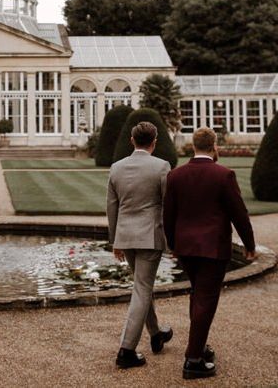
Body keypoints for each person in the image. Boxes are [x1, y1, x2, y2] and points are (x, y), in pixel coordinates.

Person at [163, 127, 256, 380]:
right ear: (215, 146)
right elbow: (239, 214)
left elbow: (168, 216)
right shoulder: (223, 174)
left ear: (193, 146)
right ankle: (193, 361)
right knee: (206, 299)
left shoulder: (176, 175)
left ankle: (199, 346)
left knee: (198, 296)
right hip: (212, 248)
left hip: (185, 248)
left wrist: (173, 245)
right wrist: (250, 244)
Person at [107, 121, 173, 370]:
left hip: (126, 235)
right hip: (149, 236)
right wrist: (171, 240)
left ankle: (156, 334)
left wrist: (115, 240)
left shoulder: (116, 167)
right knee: (143, 288)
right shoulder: (161, 166)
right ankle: (126, 350)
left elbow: (111, 207)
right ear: (154, 142)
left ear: (132, 141)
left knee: (141, 286)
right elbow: (168, 207)